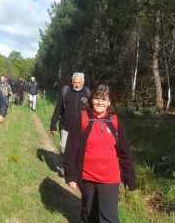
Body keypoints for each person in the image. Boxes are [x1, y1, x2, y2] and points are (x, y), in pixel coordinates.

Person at [64, 84, 137, 223]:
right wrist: (70, 175)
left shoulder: (115, 121)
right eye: (97, 98)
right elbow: (71, 149)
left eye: (104, 100)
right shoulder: (82, 118)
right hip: (87, 177)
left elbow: (125, 152)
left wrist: (130, 178)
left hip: (110, 177)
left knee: (109, 217)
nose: (100, 102)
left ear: (109, 102)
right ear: (91, 100)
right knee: (88, 214)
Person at [50, 72, 91, 177]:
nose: (76, 85)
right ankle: (63, 166)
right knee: (64, 148)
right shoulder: (66, 91)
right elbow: (58, 108)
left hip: (82, 129)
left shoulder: (87, 93)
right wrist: (53, 124)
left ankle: (74, 169)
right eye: (74, 82)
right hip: (65, 127)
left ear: (83, 82)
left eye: (79, 82)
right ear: (72, 82)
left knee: (77, 150)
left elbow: (91, 111)